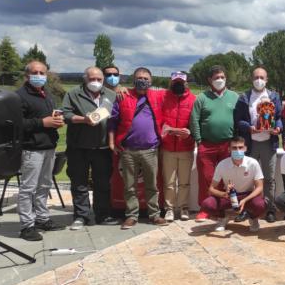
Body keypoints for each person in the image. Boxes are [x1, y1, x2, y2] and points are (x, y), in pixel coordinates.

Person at [108, 67, 167, 229]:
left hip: (151, 149)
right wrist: (112, 142)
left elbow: (178, 93)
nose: (143, 81)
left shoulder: (157, 96)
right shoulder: (123, 96)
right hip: (127, 150)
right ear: (133, 79)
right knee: (129, 186)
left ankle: (154, 215)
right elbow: (112, 122)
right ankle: (131, 215)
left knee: (152, 185)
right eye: (139, 78)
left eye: (146, 78)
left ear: (151, 81)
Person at [62, 66, 118, 231]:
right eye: (92, 79)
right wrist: (82, 119)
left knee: (102, 183)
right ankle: (81, 216)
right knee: (79, 183)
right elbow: (64, 114)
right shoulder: (73, 94)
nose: (95, 82)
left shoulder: (111, 95)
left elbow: (116, 117)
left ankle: (102, 214)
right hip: (78, 147)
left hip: (102, 147)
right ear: (85, 79)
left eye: (99, 79)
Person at [16, 61, 66, 241]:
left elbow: (49, 117)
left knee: (44, 185)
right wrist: (42, 123)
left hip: (49, 147)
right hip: (32, 149)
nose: (39, 75)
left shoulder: (46, 95)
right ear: (27, 76)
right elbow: (16, 124)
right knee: (28, 188)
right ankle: (26, 226)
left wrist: (57, 121)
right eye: (35, 72)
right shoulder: (19, 96)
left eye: (42, 72)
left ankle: (42, 218)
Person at [190, 65, 239, 222]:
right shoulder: (202, 98)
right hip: (207, 144)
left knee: (227, 178)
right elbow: (194, 120)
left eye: (222, 77)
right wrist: (199, 141)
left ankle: (224, 207)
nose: (220, 80)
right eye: (216, 77)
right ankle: (206, 208)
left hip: (228, 145)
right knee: (207, 178)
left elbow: (239, 119)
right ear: (209, 80)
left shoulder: (234, 96)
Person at [234, 67, 282, 223]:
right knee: (247, 178)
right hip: (250, 143)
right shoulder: (244, 97)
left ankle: (270, 209)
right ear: (251, 79)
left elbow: (280, 117)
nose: (259, 80)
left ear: (267, 79)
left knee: (269, 179)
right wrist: (248, 127)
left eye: (262, 77)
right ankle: (246, 209)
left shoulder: (274, 96)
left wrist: (279, 128)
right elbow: (238, 120)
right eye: (256, 77)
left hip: (269, 142)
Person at [201, 137, 266, 232]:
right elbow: (211, 189)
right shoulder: (222, 164)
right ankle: (222, 218)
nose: (237, 150)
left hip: (247, 195)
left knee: (260, 205)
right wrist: (224, 194)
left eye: (240, 147)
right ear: (229, 149)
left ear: (245, 148)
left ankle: (253, 218)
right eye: (234, 148)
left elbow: (260, 187)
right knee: (207, 205)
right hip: (228, 195)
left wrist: (244, 200)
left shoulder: (253, 163)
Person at [160, 71, 197, 222]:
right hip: (168, 147)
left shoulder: (194, 99)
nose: (178, 85)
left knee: (184, 182)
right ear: (171, 82)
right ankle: (169, 208)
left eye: (181, 82)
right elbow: (158, 118)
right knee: (169, 182)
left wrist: (190, 132)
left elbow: (196, 122)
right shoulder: (163, 97)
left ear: (186, 83)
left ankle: (183, 207)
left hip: (185, 147)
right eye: (175, 82)